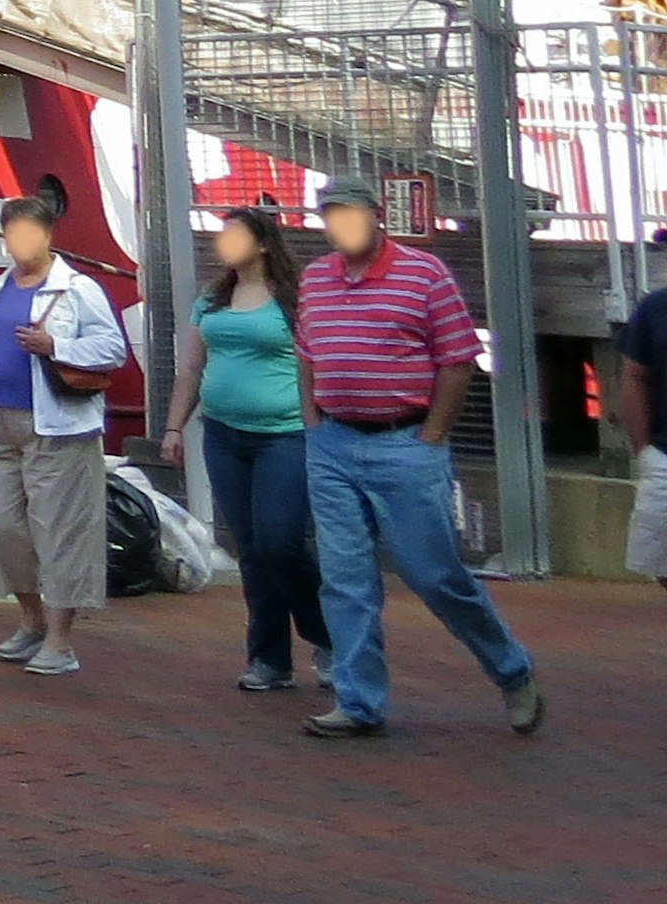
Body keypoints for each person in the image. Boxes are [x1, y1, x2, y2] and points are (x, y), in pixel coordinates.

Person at [294, 180, 546, 738]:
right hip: (333, 444)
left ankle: (511, 669)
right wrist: (313, 424)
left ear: (377, 216)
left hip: (404, 444)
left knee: (435, 576)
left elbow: (458, 360)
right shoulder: (316, 278)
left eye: (350, 214)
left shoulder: (424, 274)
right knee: (344, 579)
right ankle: (359, 702)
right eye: (330, 215)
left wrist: (430, 437)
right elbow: (307, 352)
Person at [0, 195, 126, 675]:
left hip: (57, 424)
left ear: (48, 235)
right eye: (11, 232)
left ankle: (61, 641)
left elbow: (113, 348)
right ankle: (31, 617)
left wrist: (55, 344)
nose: (19, 242)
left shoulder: (77, 289)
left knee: (60, 530)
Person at [168, 206, 329, 690]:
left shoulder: (292, 299)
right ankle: (269, 658)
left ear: (262, 244)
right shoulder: (213, 299)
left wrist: (318, 424)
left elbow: (315, 363)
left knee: (281, 541)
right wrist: (176, 427)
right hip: (224, 435)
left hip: (284, 435)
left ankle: (329, 636)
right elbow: (192, 368)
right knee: (252, 549)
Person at [618, 265, 667, 587]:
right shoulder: (655, 308)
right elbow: (634, 376)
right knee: (661, 561)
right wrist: (644, 451)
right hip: (665, 456)